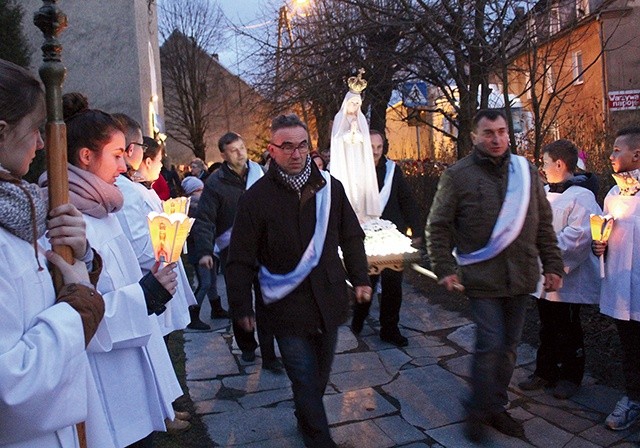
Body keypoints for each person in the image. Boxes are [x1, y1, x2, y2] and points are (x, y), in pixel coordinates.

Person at [42, 93, 184, 448]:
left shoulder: (105, 209)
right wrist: (145, 296)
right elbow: (76, 313)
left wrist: (150, 286)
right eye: (118, 155)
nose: (126, 166)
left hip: (132, 369)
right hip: (105, 382)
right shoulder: (63, 222)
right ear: (86, 156)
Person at [225, 114, 372, 447]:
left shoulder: (331, 188)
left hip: (329, 300)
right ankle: (320, 439)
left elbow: (351, 236)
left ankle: (306, 417)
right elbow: (240, 260)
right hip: (286, 307)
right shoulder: (255, 198)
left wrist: (360, 277)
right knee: (305, 381)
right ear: (272, 151)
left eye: (301, 145)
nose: (295, 153)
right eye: (286, 146)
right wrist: (241, 307)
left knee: (318, 380)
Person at [426, 109, 564, 442]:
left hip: (521, 276)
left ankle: (495, 407)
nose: (497, 138)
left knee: (509, 347)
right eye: (489, 132)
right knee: (490, 343)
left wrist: (554, 265)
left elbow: (543, 224)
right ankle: (477, 409)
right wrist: (444, 268)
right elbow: (438, 226)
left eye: (502, 131)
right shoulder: (457, 176)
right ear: (474, 137)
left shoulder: (526, 172)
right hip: (482, 278)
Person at [0, 58, 113, 448]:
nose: (42, 143)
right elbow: (11, 383)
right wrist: (78, 303)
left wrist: (78, 261)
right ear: (1, 132)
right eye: (34, 130)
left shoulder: (16, 212)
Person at [518, 139, 601, 399]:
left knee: (568, 328)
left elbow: (578, 237)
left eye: (544, 163)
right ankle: (546, 370)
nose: (542, 168)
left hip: (568, 277)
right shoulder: (543, 192)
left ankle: (570, 376)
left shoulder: (583, 197)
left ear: (559, 163)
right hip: (543, 273)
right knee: (546, 326)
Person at [191, 132, 280, 370]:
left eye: (242, 147)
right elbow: (206, 220)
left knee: (267, 301)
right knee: (239, 302)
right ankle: (248, 347)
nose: (240, 153)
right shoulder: (215, 183)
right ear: (223, 155)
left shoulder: (262, 174)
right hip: (234, 252)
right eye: (233, 150)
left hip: (265, 249)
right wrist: (204, 251)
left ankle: (270, 354)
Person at [351, 129, 422, 347]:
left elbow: (406, 200)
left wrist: (417, 230)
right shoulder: (355, 171)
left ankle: (389, 329)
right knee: (365, 283)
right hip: (365, 237)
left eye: (379, 147)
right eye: (371, 147)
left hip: (391, 237)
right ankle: (359, 318)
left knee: (393, 286)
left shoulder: (393, 171)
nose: (375, 151)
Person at [592, 127, 640, 431]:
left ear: (636, 154)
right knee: (631, 347)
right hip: (624, 287)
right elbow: (605, 232)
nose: (611, 155)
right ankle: (633, 398)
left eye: (616, 149)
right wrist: (599, 244)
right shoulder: (612, 194)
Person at [329, 72, 380, 222]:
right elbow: (337, 139)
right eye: (352, 103)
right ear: (347, 103)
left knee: (360, 184)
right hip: (345, 159)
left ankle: (363, 212)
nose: (355, 106)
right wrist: (350, 133)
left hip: (359, 159)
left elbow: (364, 140)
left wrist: (357, 134)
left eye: (357, 103)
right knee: (348, 184)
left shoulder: (361, 119)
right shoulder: (340, 118)